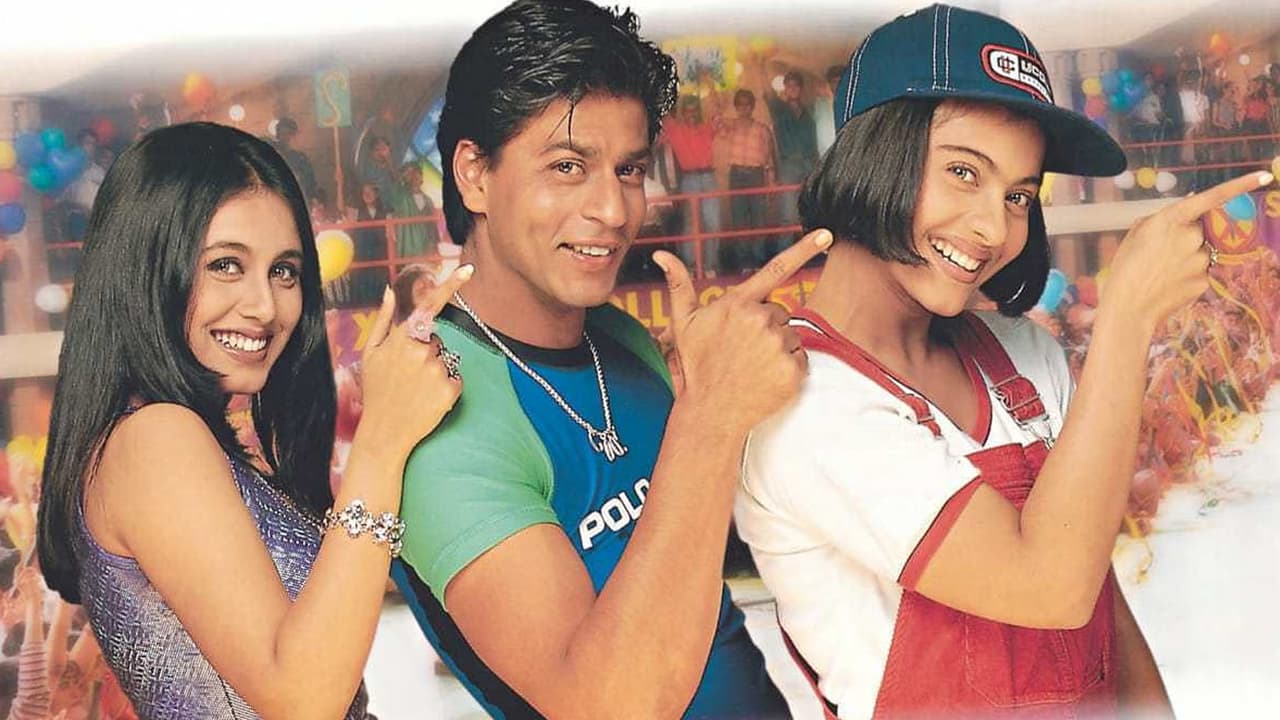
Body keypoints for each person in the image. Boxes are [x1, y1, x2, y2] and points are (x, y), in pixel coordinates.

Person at [735, 5, 1270, 718]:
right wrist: (1127, 316)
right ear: (872, 156)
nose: (994, 228)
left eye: (1019, 195)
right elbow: (1049, 585)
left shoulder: (1025, 355)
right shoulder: (805, 400)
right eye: (963, 172)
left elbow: (1098, 601)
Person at [391, 1, 829, 717]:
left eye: (629, 170)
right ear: (474, 175)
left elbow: (683, 557)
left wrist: (724, 397)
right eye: (568, 166)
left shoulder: (618, 338)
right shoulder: (440, 420)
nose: (616, 210)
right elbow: (606, 704)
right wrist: (710, 417)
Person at [35, 121, 471, 720]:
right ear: (146, 267)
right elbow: (303, 699)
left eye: (284, 271)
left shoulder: (172, 438)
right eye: (226, 265)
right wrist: (381, 442)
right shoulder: (154, 438)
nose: (265, 306)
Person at [662, 94, 722, 272]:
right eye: (688, 111)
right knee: (690, 225)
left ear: (699, 111)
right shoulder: (675, 129)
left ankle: (710, 267)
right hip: (689, 179)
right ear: (682, 113)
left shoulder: (706, 128)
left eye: (695, 110)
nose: (692, 114)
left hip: (709, 177)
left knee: (713, 224)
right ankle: (690, 267)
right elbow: (662, 110)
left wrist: (710, 85)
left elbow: (719, 106)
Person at [724, 88, 777, 272]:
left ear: (752, 106)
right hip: (736, 174)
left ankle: (759, 261)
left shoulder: (762, 129)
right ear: (736, 107)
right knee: (739, 220)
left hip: (756, 174)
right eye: (740, 104)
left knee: (759, 219)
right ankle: (744, 264)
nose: (743, 108)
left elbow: (769, 157)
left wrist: (771, 181)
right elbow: (714, 117)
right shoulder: (729, 126)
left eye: (747, 104)